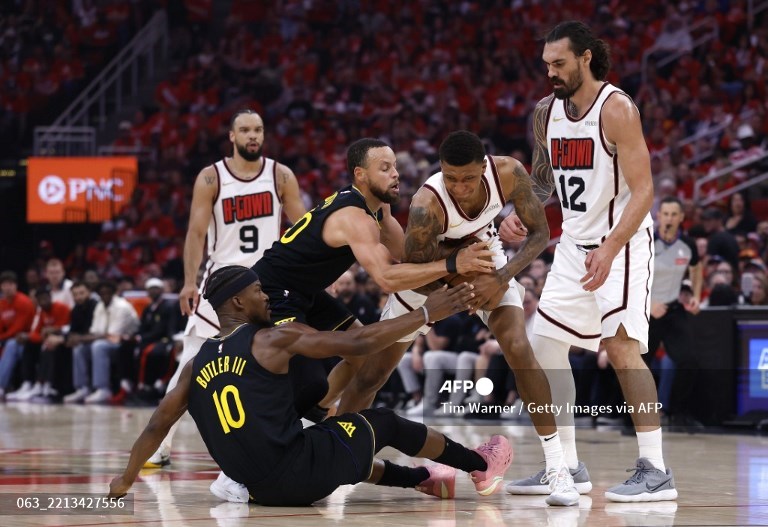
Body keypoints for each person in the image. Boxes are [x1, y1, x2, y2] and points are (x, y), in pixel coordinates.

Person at [108, 266, 513, 504]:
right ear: (236, 303)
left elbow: (156, 426)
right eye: (258, 292)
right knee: (382, 423)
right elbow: (358, 342)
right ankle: (481, 466)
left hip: (259, 490)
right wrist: (426, 312)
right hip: (296, 473)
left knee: (339, 440)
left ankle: (423, 479)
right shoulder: (270, 339)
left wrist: (125, 480)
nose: (267, 298)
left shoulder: (194, 366)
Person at [336, 131, 580, 506]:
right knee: (372, 373)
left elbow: (540, 234)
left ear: (484, 168)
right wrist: (460, 292)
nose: (459, 187)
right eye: (451, 178)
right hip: (430, 276)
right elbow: (419, 267)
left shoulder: (509, 173)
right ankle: (336, 458)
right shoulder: (426, 204)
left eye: (467, 178)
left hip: (485, 260)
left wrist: (499, 277)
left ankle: (557, 468)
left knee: (518, 347)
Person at [500, 21, 677, 503]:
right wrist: (520, 212)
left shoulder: (616, 109)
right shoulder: (546, 112)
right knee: (545, 346)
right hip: (575, 245)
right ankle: (568, 466)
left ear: (585, 59)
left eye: (558, 63)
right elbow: (545, 179)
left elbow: (645, 191)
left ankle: (656, 469)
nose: (550, 73)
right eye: (546, 65)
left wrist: (612, 246)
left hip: (621, 243)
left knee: (621, 348)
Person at [252, 137, 495, 420]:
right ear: (360, 174)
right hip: (272, 290)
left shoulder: (379, 208)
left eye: (394, 166)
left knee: (364, 353)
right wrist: (452, 263)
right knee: (297, 373)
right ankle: (279, 426)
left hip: (306, 290)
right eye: (385, 168)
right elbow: (388, 279)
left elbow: (407, 254)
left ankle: (316, 413)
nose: (396, 173)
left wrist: (460, 239)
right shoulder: (355, 217)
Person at [145, 109, 307, 473]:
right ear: (231, 136)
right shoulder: (210, 177)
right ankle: (159, 445)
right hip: (222, 282)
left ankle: (299, 442)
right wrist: (189, 280)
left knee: (294, 361)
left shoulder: (280, 175)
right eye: (245, 130)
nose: (253, 136)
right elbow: (196, 233)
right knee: (190, 362)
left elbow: (303, 226)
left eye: (258, 130)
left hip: (268, 280)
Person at [646, 196, 703, 430]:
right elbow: (631, 276)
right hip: (646, 309)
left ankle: (679, 415)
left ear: (681, 218)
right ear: (658, 216)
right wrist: (649, 304)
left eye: (673, 215)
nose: (669, 218)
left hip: (673, 309)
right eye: (665, 214)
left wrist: (696, 295)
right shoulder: (646, 240)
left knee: (689, 360)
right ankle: (632, 418)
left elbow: (697, 268)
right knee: (637, 364)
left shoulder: (687, 244)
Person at [0, 271, 36, 400]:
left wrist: (1, 339)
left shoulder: (24, 302)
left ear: (16, 286)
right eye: (4, 285)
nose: (7, 287)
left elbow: (18, 329)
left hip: (27, 341)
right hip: (8, 339)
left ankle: (1, 386)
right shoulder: (2, 304)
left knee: (11, 345)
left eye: (10, 284)